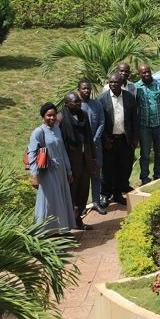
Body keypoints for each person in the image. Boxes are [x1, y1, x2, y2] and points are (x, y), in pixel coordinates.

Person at [28, 103, 77, 233]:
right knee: (48, 201)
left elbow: (63, 151)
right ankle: (44, 232)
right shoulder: (38, 132)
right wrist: (34, 175)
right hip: (47, 171)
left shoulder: (57, 129)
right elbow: (32, 153)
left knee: (61, 199)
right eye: (48, 115)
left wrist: (68, 170)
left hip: (60, 171)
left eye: (54, 115)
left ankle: (61, 229)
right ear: (43, 116)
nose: (52, 118)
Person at [99, 72, 139, 206]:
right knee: (108, 169)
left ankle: (117, 193)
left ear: (122, 83)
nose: (113, 84)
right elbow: (101, 122)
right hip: (109, 140)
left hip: (124, 139)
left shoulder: (129, 97)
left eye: (116, 82)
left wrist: (134, 137)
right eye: (111, 82)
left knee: (123, 167)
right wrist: (105, 138)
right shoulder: (102, 99)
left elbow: (134, 118)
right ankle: (105, 194)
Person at [59, 92, 97, 230]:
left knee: (83, 190)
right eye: (74, 101)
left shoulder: (83, 115)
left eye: (78, 101)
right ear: (66, 103)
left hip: (85, 160)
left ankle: (78, 219)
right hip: (70, 162)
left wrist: (93, 159)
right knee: (71, 192)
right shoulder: (61, 118)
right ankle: (68, 224)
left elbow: (89, 138)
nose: (78, 103)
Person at [134, 64, 160, 184]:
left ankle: (159, 174)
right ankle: (144, 177)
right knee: (145, 153)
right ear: (139, 74)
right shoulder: (136, 88)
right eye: (143, 72)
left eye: (148, 72)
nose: (146, 74)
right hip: (144, 126)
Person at [78, 80, 106, 215]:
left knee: (96, 175)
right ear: (79, 90)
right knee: (84, 178)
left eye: (88, 88)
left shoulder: (97, 104)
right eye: (84, 88)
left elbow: (101, 121)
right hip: (82, 149)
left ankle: (96, 201)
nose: (86, 91)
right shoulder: (76, 106)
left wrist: (96, 138)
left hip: (96, 146)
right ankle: (82, 205)